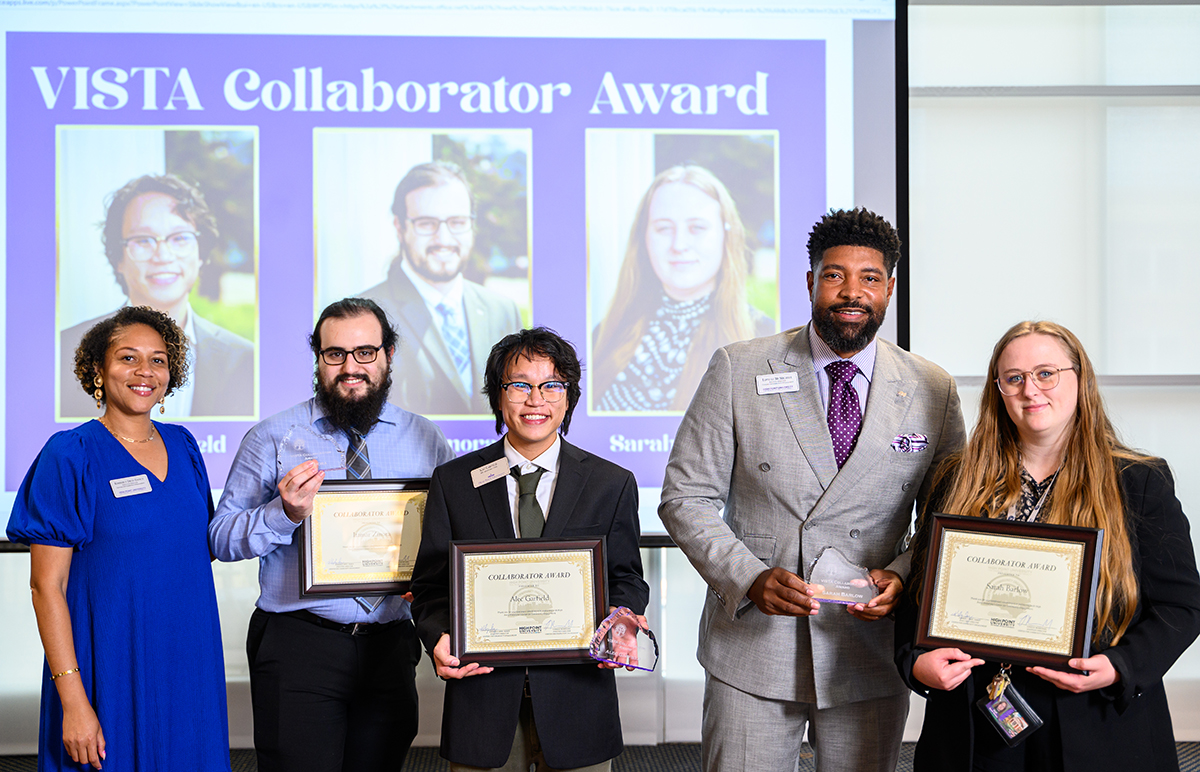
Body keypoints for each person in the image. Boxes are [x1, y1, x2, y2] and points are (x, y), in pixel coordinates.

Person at [658, 208, 966, 772]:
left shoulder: (932, 387)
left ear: (889, 288)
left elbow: (948, 516)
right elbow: (685, 495)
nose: (852, 292)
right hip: (754, 645)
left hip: (867, 646)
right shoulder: (738, 368)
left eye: (869, 278)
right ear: (810, 282)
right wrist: (748, 577)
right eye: (834, 275)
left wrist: (902, 575)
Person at [895, 320, 1200, 771]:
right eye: (1013, 378)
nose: (1030, 390)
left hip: (1095, 721)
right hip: (977, 722)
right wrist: (916, 663)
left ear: (1080, 378)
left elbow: (1182, 606)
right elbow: (918, 596)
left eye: (1046, 373)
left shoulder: (1138, 481)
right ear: (998, 390)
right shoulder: (956, 478)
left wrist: (1119, 666)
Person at [208, 298, 455, 772]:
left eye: (365, 352)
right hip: (299, 644)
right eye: (335, 354)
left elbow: (448, 537)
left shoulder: (426, 438)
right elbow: (220, 538)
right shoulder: (272, 437)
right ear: (318, 359)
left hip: (389, 644)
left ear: (388, 355)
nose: (350, 367)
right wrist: (283, 513)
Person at [411, 327, 649, 771]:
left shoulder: (610, 483)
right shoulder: (455, 482)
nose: (535, 399)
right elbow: (430, 587)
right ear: (498, 397)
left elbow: (626, 578)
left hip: (578, 699)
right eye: (519, 385)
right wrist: (438, 636)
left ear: (568, 397)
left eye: (551, 385)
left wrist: (622, 619)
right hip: (482, 699)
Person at [8, 306, 230, 771]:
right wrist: (74, 701)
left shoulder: (186, 446)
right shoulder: (70, 454)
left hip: (188, 666)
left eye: (158, 360)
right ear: (97, 369)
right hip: (109, 667)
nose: (144, 371)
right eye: (128, 358)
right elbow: (47, 587)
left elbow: (187, 555)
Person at [58, 174, 255, 419]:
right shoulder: (64, 350)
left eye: (179, 238)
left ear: (200, 254)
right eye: (143, 240)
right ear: (118, 258)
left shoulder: (246, 358)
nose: (162, 255)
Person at [591, 164, 774, 412]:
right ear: (644, 238)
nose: (679, 244)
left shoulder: (765, 337)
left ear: (725, 235)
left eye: (697, 227)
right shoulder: (606, 334)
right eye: (663, 228)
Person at [359, 161, 522, 416]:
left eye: (457, 222)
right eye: (427, 223)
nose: (444, 239)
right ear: (400, 227)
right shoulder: (364, 316)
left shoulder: (502, 311)